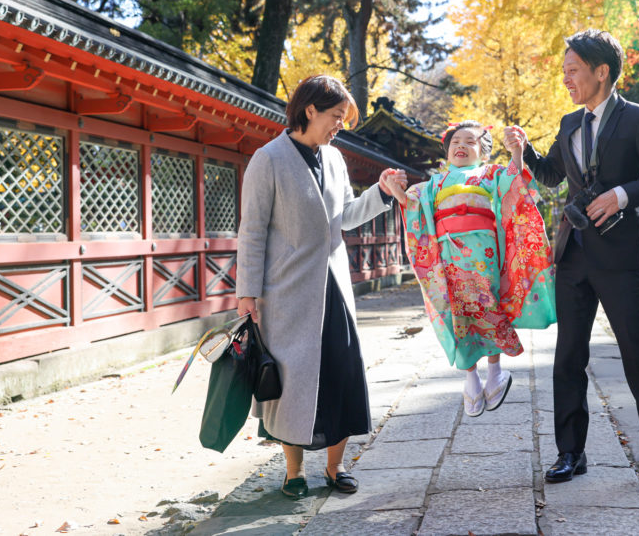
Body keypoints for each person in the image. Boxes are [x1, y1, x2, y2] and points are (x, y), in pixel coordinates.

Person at [504, 29, 639, 491]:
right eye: (564, 71)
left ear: (601, 72)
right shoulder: (568, 124)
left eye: (573, 70)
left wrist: (622, 195)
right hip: (573, 255)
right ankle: (570, 453)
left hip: (619, 257)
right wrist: (523, 153)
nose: (566, 78)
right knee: (567, 358)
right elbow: (549, 176)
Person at [236, 74, 406, 500]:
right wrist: (246, 293)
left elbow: (345, 215)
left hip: (334, 287)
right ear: (309, 110)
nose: (339, 126)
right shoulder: (267, 159)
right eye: (335, 116)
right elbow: (252, 231)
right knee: (292, 381)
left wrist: (382, 193)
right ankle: (293, 472)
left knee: (343, 373)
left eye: (342, 119)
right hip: (287, 291)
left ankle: (335, 466)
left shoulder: (334, 159)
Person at [386, 121, 556, 416]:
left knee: (485, 305)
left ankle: (495, 371)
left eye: (470, 141)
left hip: (483, 253)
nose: (461, 146)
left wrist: (517, 152)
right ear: (447, 151)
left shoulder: (490, 174)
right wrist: (396, 191)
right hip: (449, 254)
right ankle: (471, 377)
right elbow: (414, 207)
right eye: (455, 142)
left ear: (485, 154)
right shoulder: (434, 183)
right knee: (457, 310)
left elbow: (514, 184)